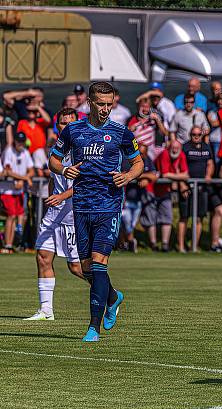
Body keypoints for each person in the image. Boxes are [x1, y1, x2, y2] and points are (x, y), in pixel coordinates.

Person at [48, 81, 144, 342]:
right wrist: (63, 170)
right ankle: (113, 297)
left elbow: (138, 163)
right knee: (87, 268)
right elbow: (54, 159)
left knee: (99, 265)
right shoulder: (73, 131)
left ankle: (93, 326)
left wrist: (127, 176)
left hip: (108, 206)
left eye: (109, 104)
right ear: (89, 103)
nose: (105, 109)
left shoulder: (121, 132)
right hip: (81, 206)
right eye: (100, 104)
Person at [24, 109, 84, 320]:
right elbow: (53, 178)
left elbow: (84, 184)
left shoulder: (83, 150)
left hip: (72, 216)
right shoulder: (55, 150)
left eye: (70, 123)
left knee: (76, 268)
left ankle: (110, 294)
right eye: (62, 123)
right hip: (54, 215)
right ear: (57, 126)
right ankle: (46, 310)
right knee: (42, 257)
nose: (66, 126)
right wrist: (53, 198)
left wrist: (62, 197)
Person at [146, 140, 187, 251]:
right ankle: (153, 245)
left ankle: (165, 245)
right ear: (169, 147)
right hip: (152, 189)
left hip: (165, 190)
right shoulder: (164, 153)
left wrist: (176, 177)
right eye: (173, 147)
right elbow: (165, 174)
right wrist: (179, 176)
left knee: (167, 217)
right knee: (151, 218)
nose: (175, 150)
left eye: (177, 148)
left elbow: (186, 174)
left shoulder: (181, 155)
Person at [180, 127, 215, 252]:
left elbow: (210, 163)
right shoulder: (185, 147)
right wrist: (182, 184)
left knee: (199, 217)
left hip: (201, 188)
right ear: (190, 134)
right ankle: (181, 247)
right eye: (194, 134)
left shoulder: (206, 147)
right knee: (184, 217)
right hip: (187, 188)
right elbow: (180, 165)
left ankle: (194, 246)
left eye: (199, 134)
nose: (196, 136)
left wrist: (208, 175)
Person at [1, 132, 34, 251]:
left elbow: (31, 170)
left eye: (22, 141)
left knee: (18, 216)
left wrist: (23, 179)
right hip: (7, 190)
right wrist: (25, 178)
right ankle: (7, 244)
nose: (20, 144)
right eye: (18, 141)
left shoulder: (25, 152)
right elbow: (8, 171)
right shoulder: (8, 151)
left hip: (19, 190)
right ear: (15, 141)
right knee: (11, 216)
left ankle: (12, 244)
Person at [120, 143, 157, 253]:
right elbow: (124, 175)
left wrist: (145, 178)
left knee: (131, 224)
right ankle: (128, 242)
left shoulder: (147, 159)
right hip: (127, 199)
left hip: (139, 199)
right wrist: (141, 176)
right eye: (140, 153)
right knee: (126, 223)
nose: (142, 155)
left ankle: (128, 244)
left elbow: (153, 176)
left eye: (144, 153)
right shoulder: (128, 160)